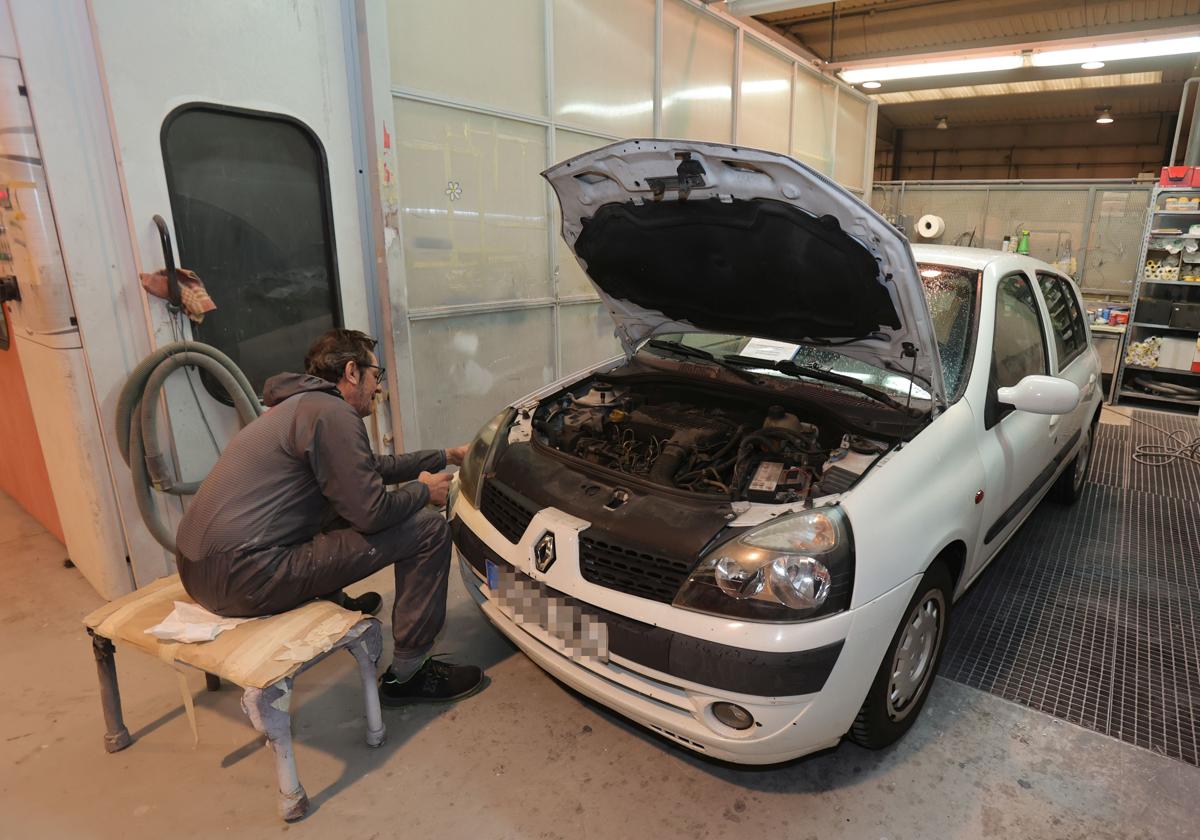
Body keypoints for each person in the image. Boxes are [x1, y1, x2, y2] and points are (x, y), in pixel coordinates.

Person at [175, 328, 483, 705]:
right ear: (352, 371)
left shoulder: (300, 406)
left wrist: (446, 455)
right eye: (376, 374)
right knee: (427, 529)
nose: (378, 387)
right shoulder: (333, 413)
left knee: (334, 502)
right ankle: (410, 674)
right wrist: (423, 492)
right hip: (243, 579)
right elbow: (371, 513)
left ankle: (334, 600)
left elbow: (367, 468)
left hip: (198, 571)